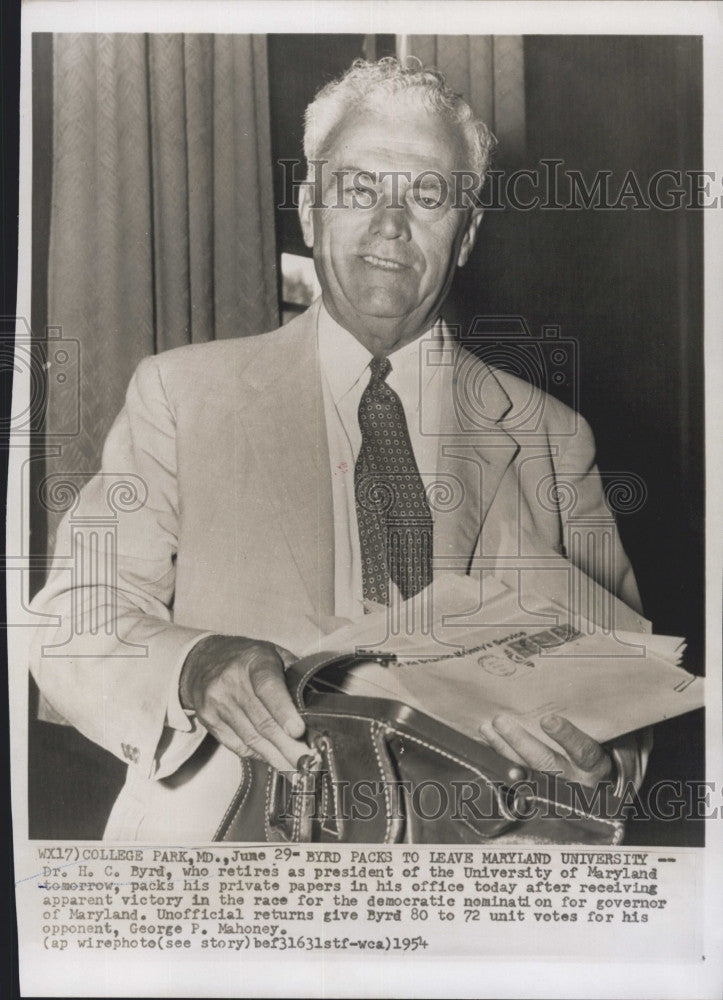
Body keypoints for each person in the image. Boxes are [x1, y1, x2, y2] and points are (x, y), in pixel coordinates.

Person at [29, 58, 650, 841]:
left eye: (427, 196)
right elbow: (69, 621)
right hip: (230, 857)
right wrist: (192, 664)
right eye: (359, 188)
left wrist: (599, 757)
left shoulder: (551, 438)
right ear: (309, 208)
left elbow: (631, 695)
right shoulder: (181, 397)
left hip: (476, 869)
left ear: (466, 235)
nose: (390, 224)